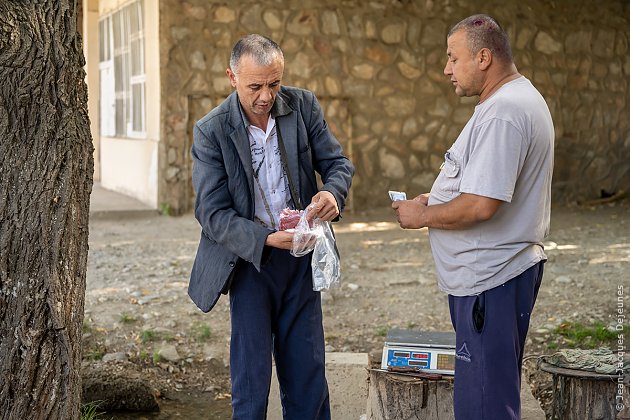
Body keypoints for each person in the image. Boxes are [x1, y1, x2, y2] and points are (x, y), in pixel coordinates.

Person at [392, 14, 554, 419]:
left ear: (483, 57)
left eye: (452, 58)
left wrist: (422, 215)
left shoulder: (504, 112)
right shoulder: (509, 101)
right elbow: (481, 186)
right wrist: (439, 195)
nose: (446, 69)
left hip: (491, 283)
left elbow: (482, 205)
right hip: (491, 282)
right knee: (485, 397)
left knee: (484, 407)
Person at [188, 34, 354, 419]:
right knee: (251, 381)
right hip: (250, 262)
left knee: (308, 376)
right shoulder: (211, 130)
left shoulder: (303, 105)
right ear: (232, 77)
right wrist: (264, 239)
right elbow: (211, 213)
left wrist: (332, 193)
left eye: (274, 84)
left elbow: (338, 163)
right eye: (255, 86)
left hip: (300, 257)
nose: (266, 96)